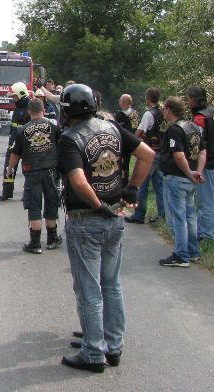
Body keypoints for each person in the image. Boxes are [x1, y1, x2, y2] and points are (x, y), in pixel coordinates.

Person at [57, 84, 154, 373]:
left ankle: (93, 352)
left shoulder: (69, 139)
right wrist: (132, 188)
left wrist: (97, 205)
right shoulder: (112, 128)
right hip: (116, 216)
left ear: (67, 111)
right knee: (111, 285)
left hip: (87, 217)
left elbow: (78, 182)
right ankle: (113, 345)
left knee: (89, 288)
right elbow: (147, 154)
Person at [7, 98, 63, 254]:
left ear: (29, 111)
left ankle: (35, 243)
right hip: (51, 170)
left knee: (34, 205)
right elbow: (62, 146)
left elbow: (15, 154)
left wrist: (10, 169)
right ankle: (52, 239)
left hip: (32, 171)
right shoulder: (54, 126)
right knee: (52, 202)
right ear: (43, 109)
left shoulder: (22, 130)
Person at [158, 96, 206, 267]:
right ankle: (193, 251)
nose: (163, 111)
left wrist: (188, 173)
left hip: (176, 177)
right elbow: (202, 152)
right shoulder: (194, 127)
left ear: (169, 109)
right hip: (190, 178)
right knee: (190, 215)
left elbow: (178, 155)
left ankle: (181, 255)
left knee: (177, 217)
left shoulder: (175, 129)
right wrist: (197, 172)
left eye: (164, 108)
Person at [186, 85, 214, 242]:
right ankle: (203, 230)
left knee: (205, 199)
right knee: (208, 197)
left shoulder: (200, 117)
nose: (188, 102)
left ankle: (206, 234)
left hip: (206, 162)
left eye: (189, 99)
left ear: (193, 100)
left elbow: (197, 142)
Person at [124, 88, 165, 224]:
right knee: (159, 186)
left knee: (141, 184)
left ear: (147, 98)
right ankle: (162, 215)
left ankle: (139, 215)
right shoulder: (163, 112)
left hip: (149, 152)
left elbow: (139, 132)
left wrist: (132, 144)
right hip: (161, 152)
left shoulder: (149, 114)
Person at [0, 81, 31, 200]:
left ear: (20, 94)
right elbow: (14, 128)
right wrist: (11, 142)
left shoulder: (29, 108)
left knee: (28, 169)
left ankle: (28, 194)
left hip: (26, 144)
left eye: (14, 96)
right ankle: (7, 192)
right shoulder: (18, 108)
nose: (13, 98)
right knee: (9, 166)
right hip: (14, 143)